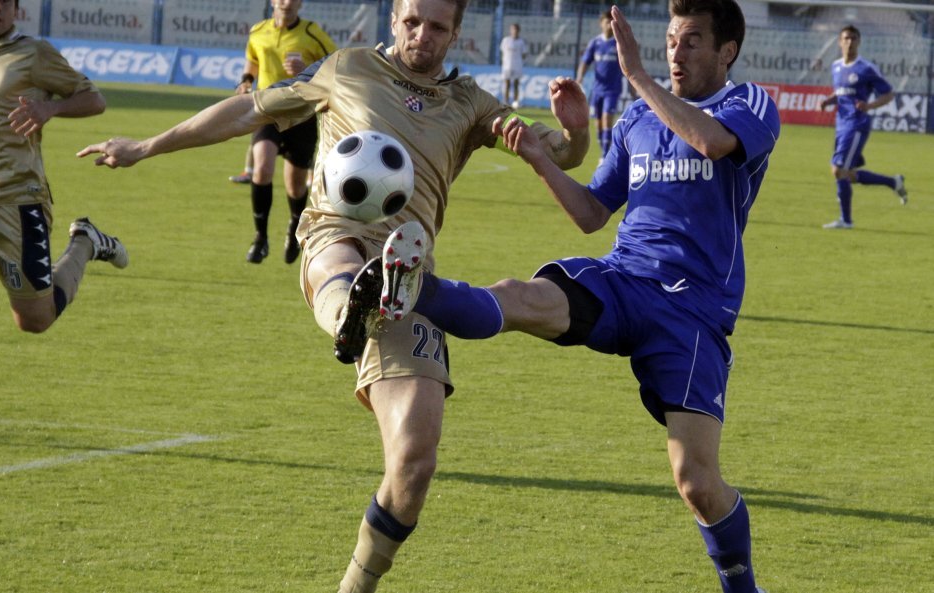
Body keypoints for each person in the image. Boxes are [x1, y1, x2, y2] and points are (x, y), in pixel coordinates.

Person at [76, 0, 589, 591]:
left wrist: (575, 129)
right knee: (340, 270)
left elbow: (559, 153)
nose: (423, 35)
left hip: (408, 271)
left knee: (415, 464)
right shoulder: (344, 68)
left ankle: (355, 586)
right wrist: (147, 146)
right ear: (395, 18)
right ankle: (351, 311)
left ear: (456, 33)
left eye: (438, 26)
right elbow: (247, 110)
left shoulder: (473, 104)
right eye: (413, 21)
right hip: (336, 232)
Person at [354, 1, 778, 591]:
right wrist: (539, 160)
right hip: (623, 281)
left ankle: (743, 587)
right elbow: (589, 214)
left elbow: (709, 143)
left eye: (693, 42)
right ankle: (403, 287)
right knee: (523, 299)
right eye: (673, 40)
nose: (676, 52)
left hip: (693, 311)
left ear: (727, 51)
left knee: (698, 483)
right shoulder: (637, 121)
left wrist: (639, 77)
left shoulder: (749, 104)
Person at [0, 0, 127, 366]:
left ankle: (84, 242)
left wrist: (50, 109)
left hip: (16, 203)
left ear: (16, 12)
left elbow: (94, 99)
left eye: (5, 2)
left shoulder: (34, 54)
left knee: (34, 320)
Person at [235, 0, 336, 264]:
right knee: (262, 169)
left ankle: (294, 228)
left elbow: (336, 67)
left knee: (294, 185)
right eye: (281, 0)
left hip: (300, 113)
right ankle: (260, 238)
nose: (286, 4)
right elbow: (253, 61)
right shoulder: (258, 30)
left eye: (292, 0)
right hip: (267, 110)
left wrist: (306, 72)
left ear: (300, 4)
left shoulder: (312, 33)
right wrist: (246, 80)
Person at [817, 24, 907, 230]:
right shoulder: (836, 66)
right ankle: (893, 183)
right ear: (840, 42)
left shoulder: (866, 68)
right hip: (841, 125)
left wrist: (870, 105)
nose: (849, 42)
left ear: (859, 42)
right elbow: (841, 92)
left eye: (853, 38)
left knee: (838, 170)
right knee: (846, 173)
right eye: (846, 38)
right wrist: (828, 101)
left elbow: (889, 94)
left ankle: (846, 221)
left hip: (857, 125)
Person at [576, 11, 625, 163]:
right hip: (597, 90)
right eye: (606, 20)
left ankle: (604, 155)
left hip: (612, 89)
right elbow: (585, 62)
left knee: (607, 119)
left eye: (611, 20)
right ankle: (604, 150)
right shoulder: (595, 43)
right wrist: (580, 77)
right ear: (601, 23)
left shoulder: (618, 43)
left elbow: (626, 63)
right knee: (598, 123)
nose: (609, 23)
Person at [499, 22, 526, 109]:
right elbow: (502, 52)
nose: (514, 31)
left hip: (517, 65)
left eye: (516, 29)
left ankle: (515, 102)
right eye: (513, 29)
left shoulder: (521, 42)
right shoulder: (506, 40)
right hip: (507, 65)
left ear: (519, 31)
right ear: (510, 30)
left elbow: (524, 54)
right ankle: (506, 102)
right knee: (507, 83)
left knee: (516, 83)